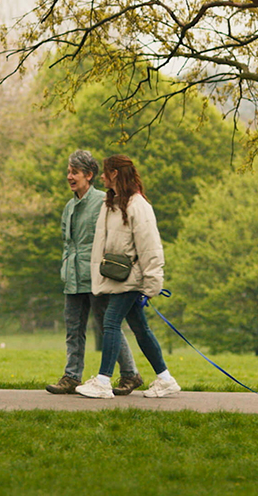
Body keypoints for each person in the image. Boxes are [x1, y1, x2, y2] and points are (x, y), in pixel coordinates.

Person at [76, 154, 179, 399]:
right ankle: (165, 379)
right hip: (118, 277)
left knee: (110, 322)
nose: (101, 176)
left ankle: (102, 381)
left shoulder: (138, 205)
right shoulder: (112, 204)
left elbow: (150, 247)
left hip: (131, 279)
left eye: (105, 172)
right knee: (140, 328)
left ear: (116, 174)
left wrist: (151, 285)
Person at [45, 150, 143, 395]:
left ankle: (130, 374)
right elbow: (68, 243)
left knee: (107, 326)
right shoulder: (69, 206)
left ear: (88, 175)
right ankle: (71, 376)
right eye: (68, 171)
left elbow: (117, 235)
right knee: (73, 329)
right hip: (72, 277)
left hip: (97, 276)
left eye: (74, 172)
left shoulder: (104, 201)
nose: (69, 176)